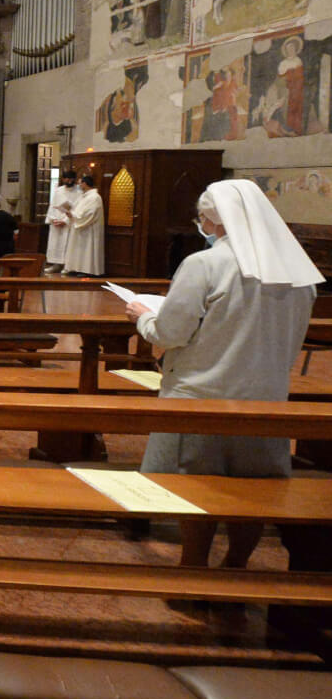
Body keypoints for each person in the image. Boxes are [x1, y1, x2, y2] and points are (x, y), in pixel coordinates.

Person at [131, 180, 319, 570]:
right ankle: (236, 566)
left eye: (202, 219)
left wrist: (144, 318)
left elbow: (170, 333)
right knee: (253, 490)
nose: (202, 226)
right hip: (266, 400)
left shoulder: (206, 264)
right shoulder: (297, 271)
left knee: (195, 485)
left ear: (217, 220)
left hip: (202, 396)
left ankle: (194, 566)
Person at [62, 174, 105, 275]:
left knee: (87, 250)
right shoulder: (83, 196)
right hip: (78, 226)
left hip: (88, 229)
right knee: (78, 249)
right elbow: (76, 209)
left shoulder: (95, 197)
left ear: (85, 184)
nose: (79, 185)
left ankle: (87, 270)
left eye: (80, 183)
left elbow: (90, 213)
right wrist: (70, 214)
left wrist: (74, 216)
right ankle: (75, 268)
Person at [44, 169, 80, 271]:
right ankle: (56, 265)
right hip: (56, 221)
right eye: (66, 179)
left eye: (71, 179)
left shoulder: (78, 192)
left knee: (68, 244)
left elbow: (77, 208)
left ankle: (67, 266)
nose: (68, 181)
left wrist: (65, 221)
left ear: (74, 179)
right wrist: (53, 219)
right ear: (63, 179)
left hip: (68, 222)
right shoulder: (58, 190)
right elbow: (53, 205)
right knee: (55, 244)